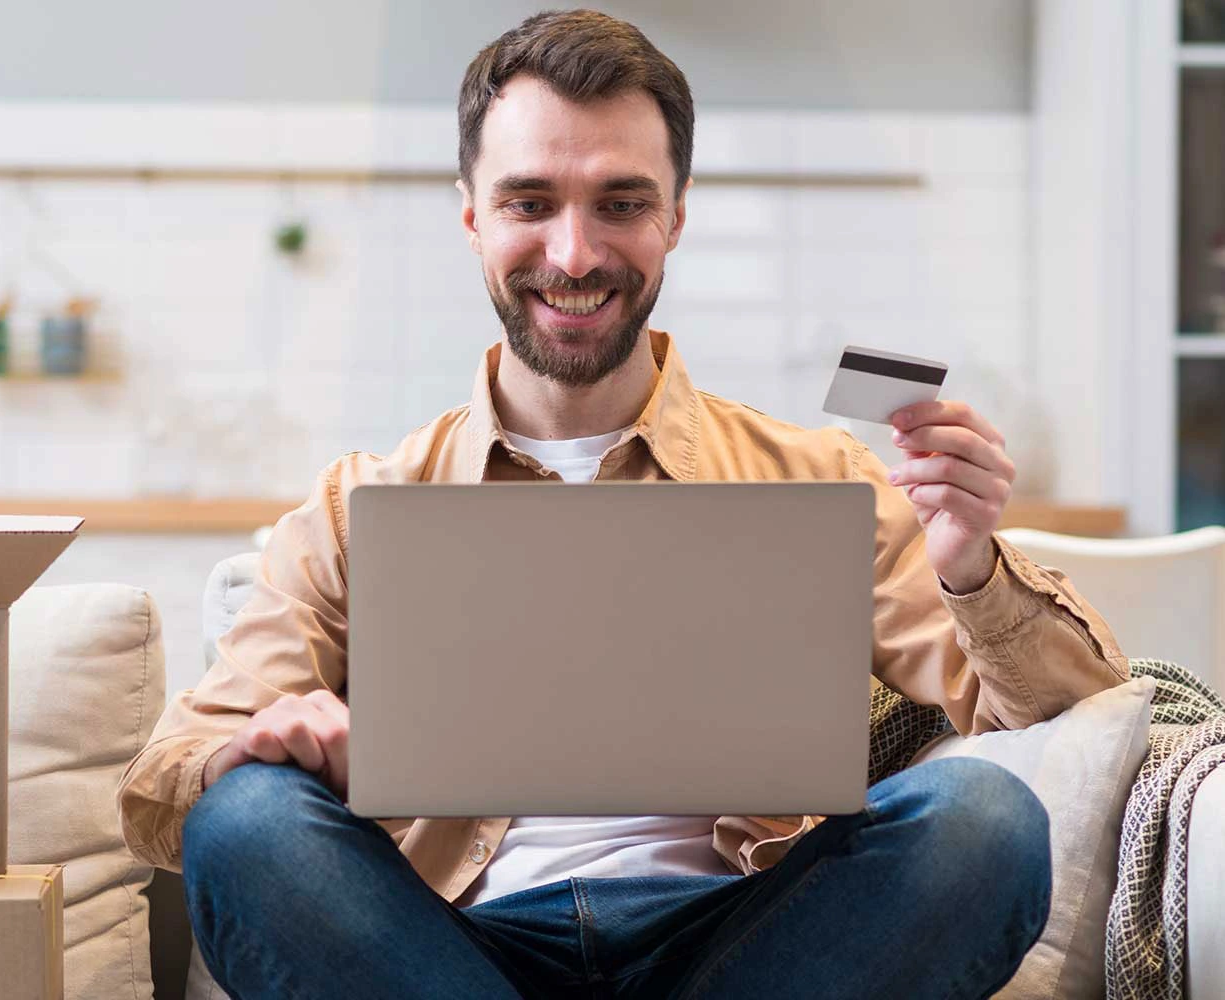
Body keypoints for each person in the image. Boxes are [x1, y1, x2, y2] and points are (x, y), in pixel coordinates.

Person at [118, 10, 1129, 999]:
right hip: (448, 952)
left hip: (742, 942)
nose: (572, 253)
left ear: (674, 217)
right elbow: (167, 785)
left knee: (981, 816)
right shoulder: (357, 507)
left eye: (618, 203)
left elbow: (1048, 707)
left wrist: (968, 567)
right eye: (528, 202)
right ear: (470, 215)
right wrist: (270, 745)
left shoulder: (813, 478)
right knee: (245, 818)